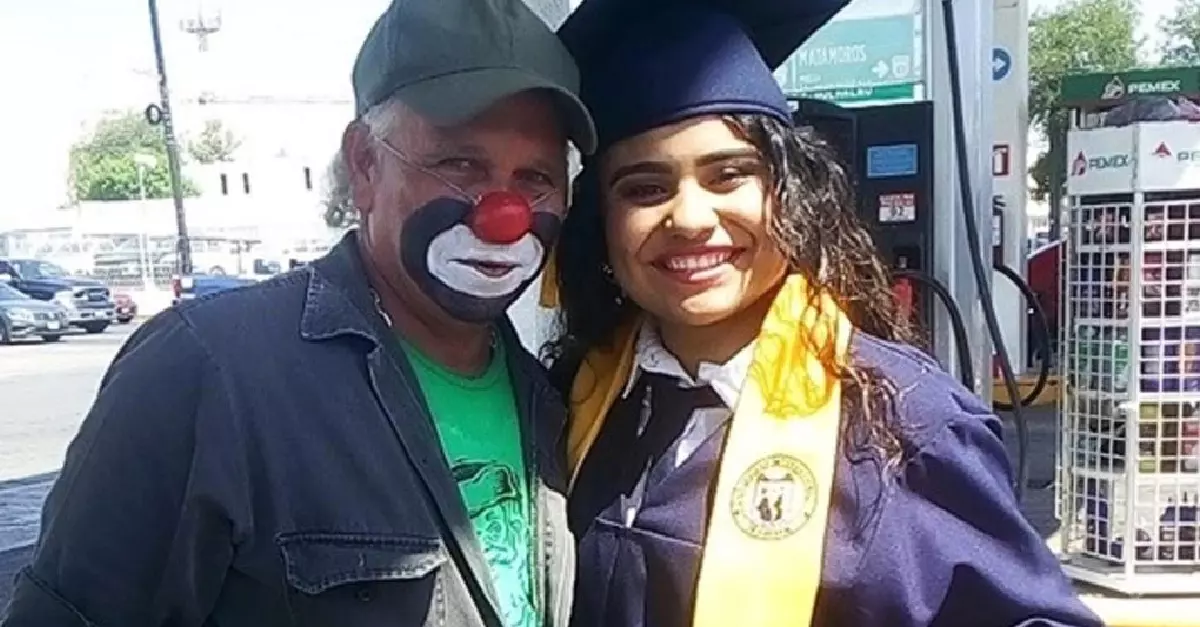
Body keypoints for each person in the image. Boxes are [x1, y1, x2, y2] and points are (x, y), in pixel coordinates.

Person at [2, 0, 594, 625]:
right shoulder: (202, 373)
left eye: (536, 178)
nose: (504, 215)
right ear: (364, 165)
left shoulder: (554, 397)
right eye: (460, 165)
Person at [541, 2, 1105, 626]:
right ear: (602, 222)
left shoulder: (902, 426)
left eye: (729, 175)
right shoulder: (576, 405)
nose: (691, 219)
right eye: (645, 189)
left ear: (791, 195)